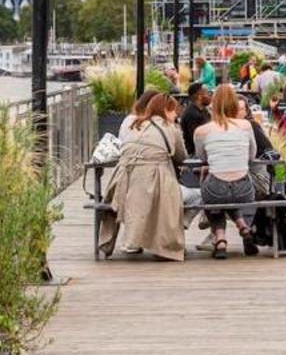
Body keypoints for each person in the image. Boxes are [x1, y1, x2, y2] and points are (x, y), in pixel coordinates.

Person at [99, 90, 187, 261]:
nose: (176, 114)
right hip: (154, 179)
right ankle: (163, 246)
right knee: (170, 198)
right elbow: (181, 157)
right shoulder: (171, 128)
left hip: (122, 180)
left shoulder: (134, 124)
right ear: (166, 110)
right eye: (173, 110)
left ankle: (110, 244)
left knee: (131, 199)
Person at [194, 84, 258, 260]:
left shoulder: (201, 131)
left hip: (216, 188)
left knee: (215, 196)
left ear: (212, 105)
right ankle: (243, 227)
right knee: (229, 193)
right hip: (244, 189)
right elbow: (252, 155)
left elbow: (202, 157)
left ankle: (221, 240)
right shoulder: (245, 126)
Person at [178, 81, 211, 157]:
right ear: (199, 96)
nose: (210, 95)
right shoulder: (192, 114)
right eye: (207, 93)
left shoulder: (203, 111)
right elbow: (196, 139)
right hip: (195, 154)